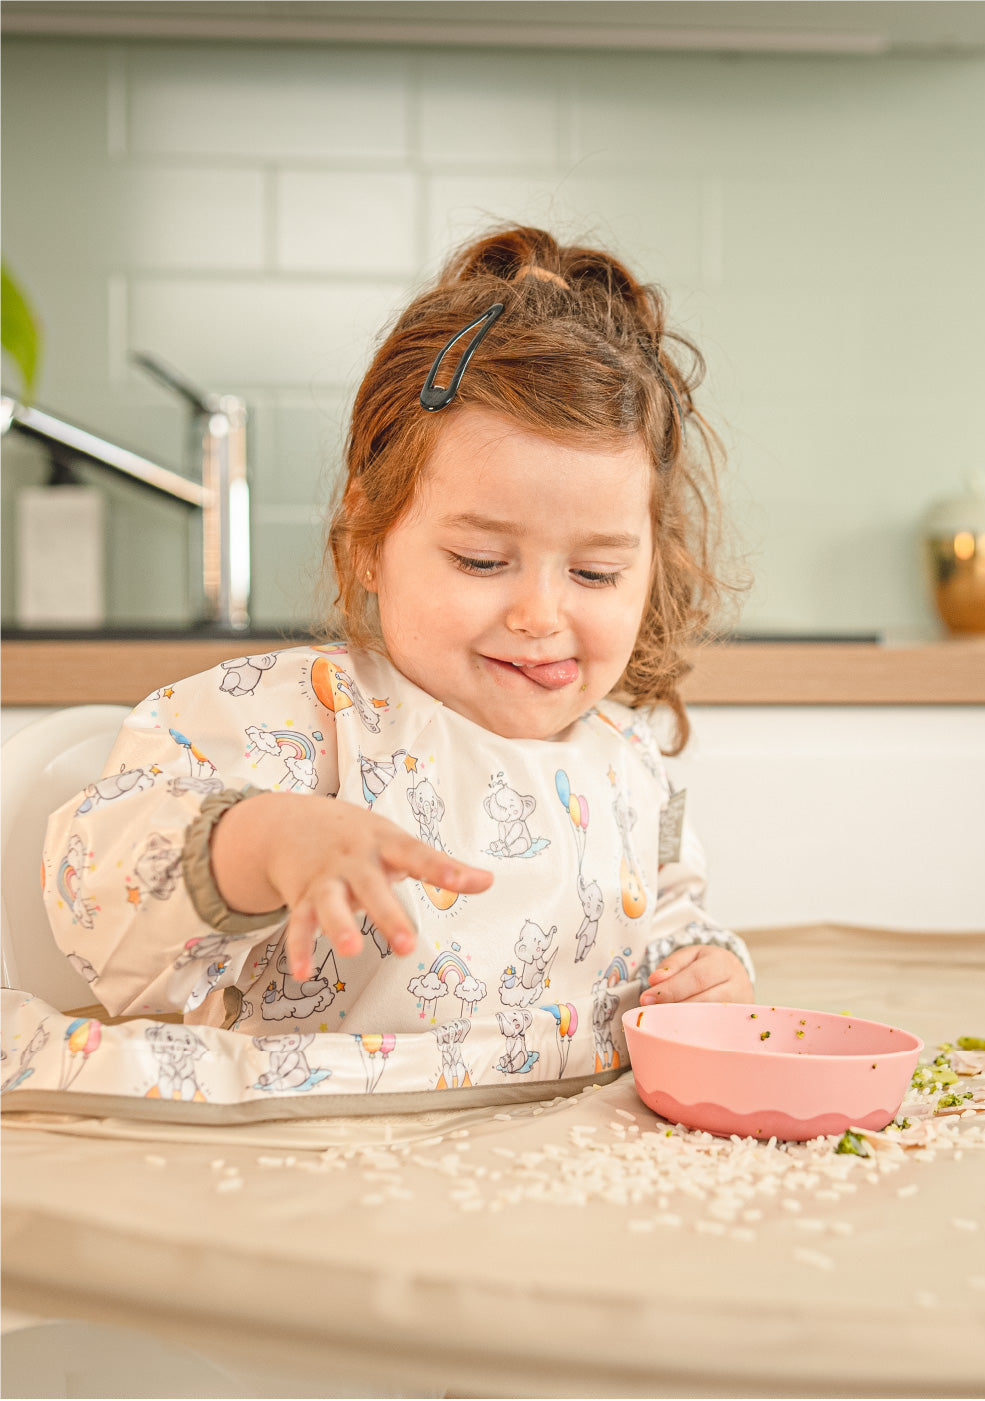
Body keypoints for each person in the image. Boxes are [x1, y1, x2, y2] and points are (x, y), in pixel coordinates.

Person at [41, 226, 754, 1092]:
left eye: (595, 572)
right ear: (371, 538)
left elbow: (667, 915)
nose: (538, 613)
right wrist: (264, 840)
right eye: (482, 561)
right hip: (321, 1164)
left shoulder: (625, 757)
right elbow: (101, 881)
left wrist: (708, 972)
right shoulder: (304, 719)